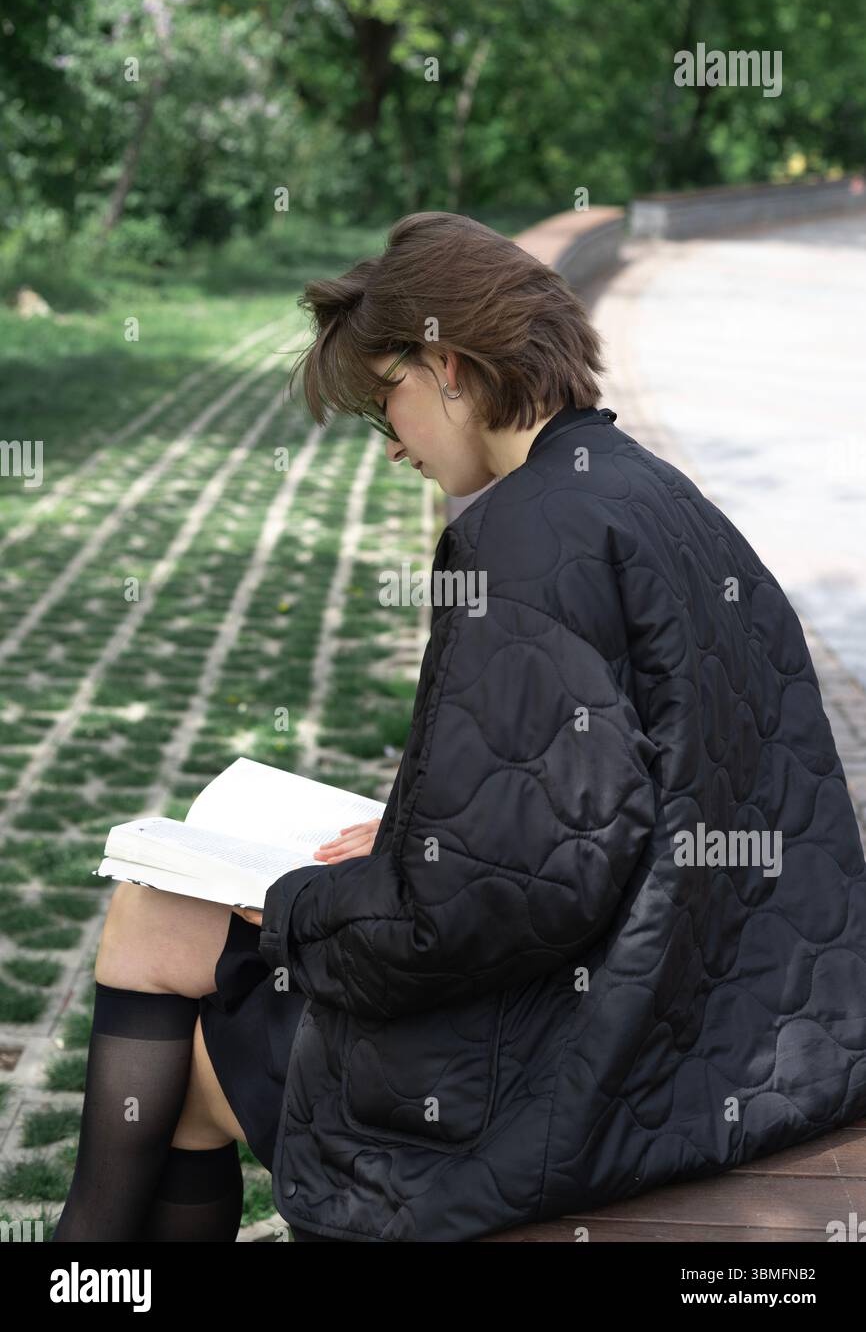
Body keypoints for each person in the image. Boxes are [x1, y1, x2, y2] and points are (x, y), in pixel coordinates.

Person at [54, 210, 866, 1243]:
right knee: (156, 930)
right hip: (717, 1025)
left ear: (446, 364)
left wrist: (300, 904)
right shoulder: (647, 496)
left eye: (381, 401)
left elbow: (487, 902)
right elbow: (587, 809)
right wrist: (408, 832)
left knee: (173, 1037)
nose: (388, 443)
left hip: (588, 1076)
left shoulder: (521, 538)